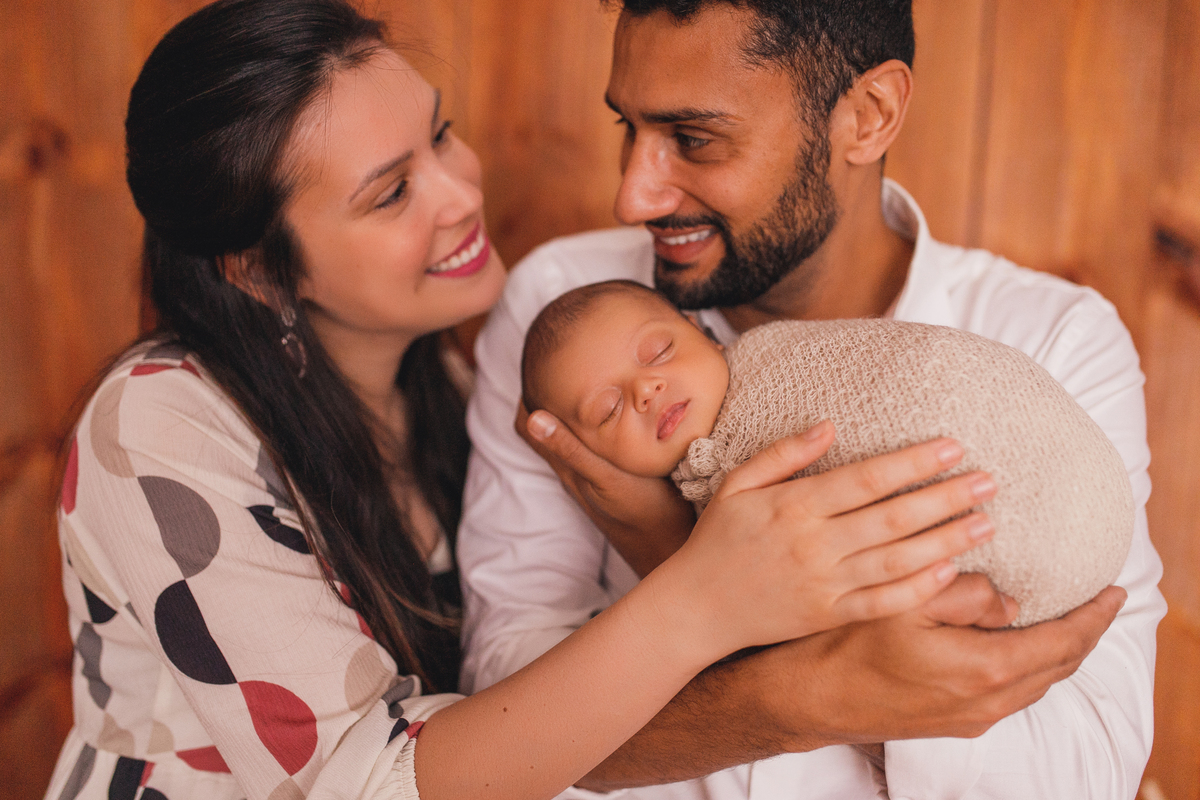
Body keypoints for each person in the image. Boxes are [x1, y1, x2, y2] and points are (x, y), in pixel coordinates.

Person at [42, 2, 999, 799]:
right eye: (391, 194)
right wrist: (708, 597)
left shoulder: (456, 387)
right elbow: (364, 783)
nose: (461, 193)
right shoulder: (157, 421)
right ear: (258, 270)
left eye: (440, 135)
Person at [458, 2, 1164, 798]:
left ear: (869, 115)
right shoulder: (566, 312)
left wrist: (674, 554)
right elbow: (495, 718)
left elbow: (1081, 772)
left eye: (694, 138)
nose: (633, 196)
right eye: (629, 127)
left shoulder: (1054, 340)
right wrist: (821, 689)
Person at [519, 278, 1133, 629]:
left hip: (1062, 483)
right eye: (608, 410)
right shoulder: (698, 498)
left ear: (703, 332)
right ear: (586, 459)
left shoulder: (782, 360)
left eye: (658, 352)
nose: (645, 390)